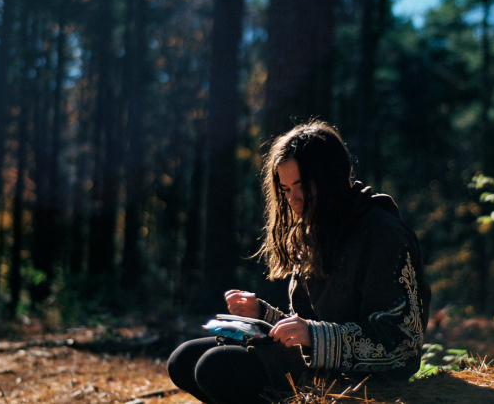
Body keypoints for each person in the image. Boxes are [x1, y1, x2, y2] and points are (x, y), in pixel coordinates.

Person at [168, 120, 431, 403]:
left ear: (331, 178)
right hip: (315, 366)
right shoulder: (314, 228)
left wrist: (315, 336)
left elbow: (403, 343)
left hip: (357, 379)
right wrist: (263, 315)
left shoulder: (382, 233)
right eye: (286, 189)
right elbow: (307, 328)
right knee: (182, 360)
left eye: (301, 186)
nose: (293, 199)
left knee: (216, 368)